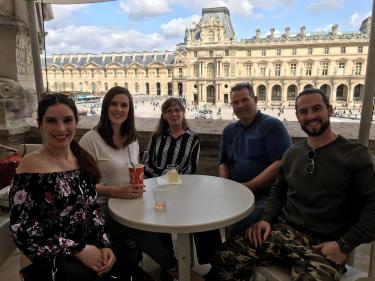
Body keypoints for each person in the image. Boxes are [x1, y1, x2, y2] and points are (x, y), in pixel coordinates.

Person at [212, 88, 375, 281]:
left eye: (317, 109)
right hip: (283, 233)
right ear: (297, 116)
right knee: (222, 259)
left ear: (329, 110)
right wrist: (266, 219)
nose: (311, 116)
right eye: (303, 112)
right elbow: (279, 190)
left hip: (324, 245)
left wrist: (345, 245)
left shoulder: (355, 155)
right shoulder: (293, 153)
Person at [9, 93, 152, 281]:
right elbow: (21, 228)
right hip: (59, 257)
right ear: (40, 124)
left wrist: (105, 244)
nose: (61, 128)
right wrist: (77, 250)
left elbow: (93, 209)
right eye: (51, 121)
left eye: (67, 120)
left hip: (92, 249)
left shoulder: (81, 159)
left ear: (76, 122)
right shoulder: (30, 165)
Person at [79, 87, 177, 277]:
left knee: (161, 214)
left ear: (130, 110)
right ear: (105, 106)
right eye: (114, 103)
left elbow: (135, 171)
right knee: (141, 229)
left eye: (124, 105)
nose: (119, 109)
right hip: (103, 209)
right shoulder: (90, 140)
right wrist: (114, 191)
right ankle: (174, 268)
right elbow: (79, 187)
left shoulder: (131, 139)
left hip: (129, 202)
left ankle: (168, 265)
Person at [143, 97, 222, 280]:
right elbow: (147, 164)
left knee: (203, 216)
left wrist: (172, 177)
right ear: (164, 115)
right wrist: (165, 175)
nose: (174, 114)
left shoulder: (193, 138)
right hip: (159, 190)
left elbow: (191, 168)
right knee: (159, 221)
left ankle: (213, 260)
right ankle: (168, 263)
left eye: (177, 110)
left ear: (183, 113)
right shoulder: (156, 137)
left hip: (183, 190)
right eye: (169, 111)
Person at [219, 82, 291, 235]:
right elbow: (223, 163)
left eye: (244, 100)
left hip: (266, 194)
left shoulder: (272, 125)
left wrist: (248, 187)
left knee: (243, 223)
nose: (240, 105)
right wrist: (226, 186)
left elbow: (281, 163)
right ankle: (211, 255)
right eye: (235, 102)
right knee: (205, 213)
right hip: (236, 191)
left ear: (256, 100)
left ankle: (229, 254)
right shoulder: (229, 131)